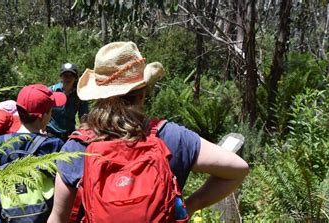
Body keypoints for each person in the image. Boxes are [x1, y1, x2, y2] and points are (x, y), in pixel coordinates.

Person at [48, 42, 249, 222]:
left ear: (98, 97)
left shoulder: (77, 146)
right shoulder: (171, 136)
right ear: (142, 93)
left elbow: (58, 218)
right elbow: (237, 170)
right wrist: (192, 205)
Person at [0, 84, 67, 223]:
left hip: (9, 215)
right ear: (43, 116)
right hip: (44, 215)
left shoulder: (0, 142)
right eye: (50, 111)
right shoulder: (53, 144)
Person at [47, 63, 89, 141]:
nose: (68, 78)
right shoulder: (50, 92)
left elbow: (84, 117)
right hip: (50, 134)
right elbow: (41, 112)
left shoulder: (80, 95)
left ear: (75, 77)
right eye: (65, 75)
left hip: (69, 136)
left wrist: (83, 132)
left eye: (71, 75)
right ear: (61, 76)